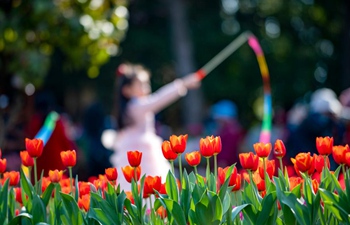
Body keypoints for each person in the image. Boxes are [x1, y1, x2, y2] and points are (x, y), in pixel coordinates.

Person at [107, 63, 201, 190]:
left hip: (140, 149)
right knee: (146, 184)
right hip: (142, 152)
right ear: (127, 90)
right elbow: (158, 99)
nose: (146, 87)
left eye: (146, 83)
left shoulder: (133, 107)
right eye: (141, 84)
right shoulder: (136, 106)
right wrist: (183, 84)